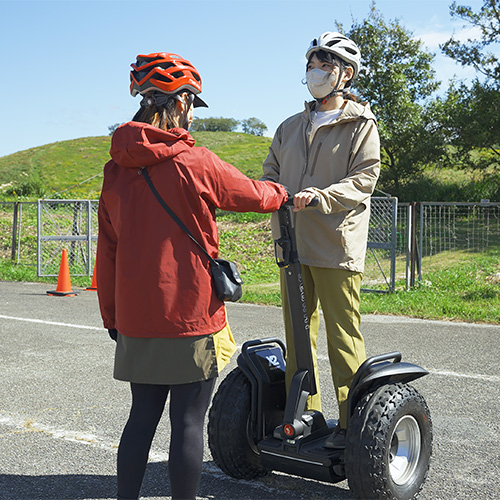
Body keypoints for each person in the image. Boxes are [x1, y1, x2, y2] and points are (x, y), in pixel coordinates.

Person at [96, 52, 288, 500]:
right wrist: (284, 193)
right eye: (191, 102)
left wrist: (112, 315)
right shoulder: (194, 161)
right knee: (187, 421)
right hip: (189, 314)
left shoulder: (114, 169)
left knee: (140, 418)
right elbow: (252, 194)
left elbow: (107, 251)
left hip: (136, 317)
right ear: (180, 102)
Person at [261, 32, 381, 449]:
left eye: (326, 65)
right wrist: (267, 193)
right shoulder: (290, 126)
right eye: (313, 64)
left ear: (345, 74)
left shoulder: (361, 125)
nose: (316, 72)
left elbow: (364, 179)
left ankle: (353, 426)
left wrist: (323, 196)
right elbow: (270, 171)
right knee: (298, 336)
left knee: (342, 339)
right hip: (292, 243)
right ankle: (306, 414)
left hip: (335, 244)